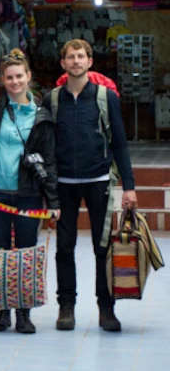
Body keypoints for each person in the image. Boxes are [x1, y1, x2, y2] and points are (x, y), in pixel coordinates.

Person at [0, 49, 60, 334]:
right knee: (0, 253)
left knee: (26, 255)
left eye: (20, 76)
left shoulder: (41, 116)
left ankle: (24, 313)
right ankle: (2, 311)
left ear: (29, 77)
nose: (15, 81)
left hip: (28, 194)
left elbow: (49, 160)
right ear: (3, 80)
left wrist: (53, 200)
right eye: (10, 77)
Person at [45, 39, 136, 333]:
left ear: (89, 61)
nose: (75, 61)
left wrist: (130, 186)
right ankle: (66, 307)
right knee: (64, 248)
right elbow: (44, 146)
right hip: (64, 184)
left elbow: (120, 144)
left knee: (103, 246)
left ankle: (106, 307)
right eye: (70, 57)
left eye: (80, 56)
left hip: (99, 181)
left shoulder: (105, 97)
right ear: (63, 64)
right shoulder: (52, 99)